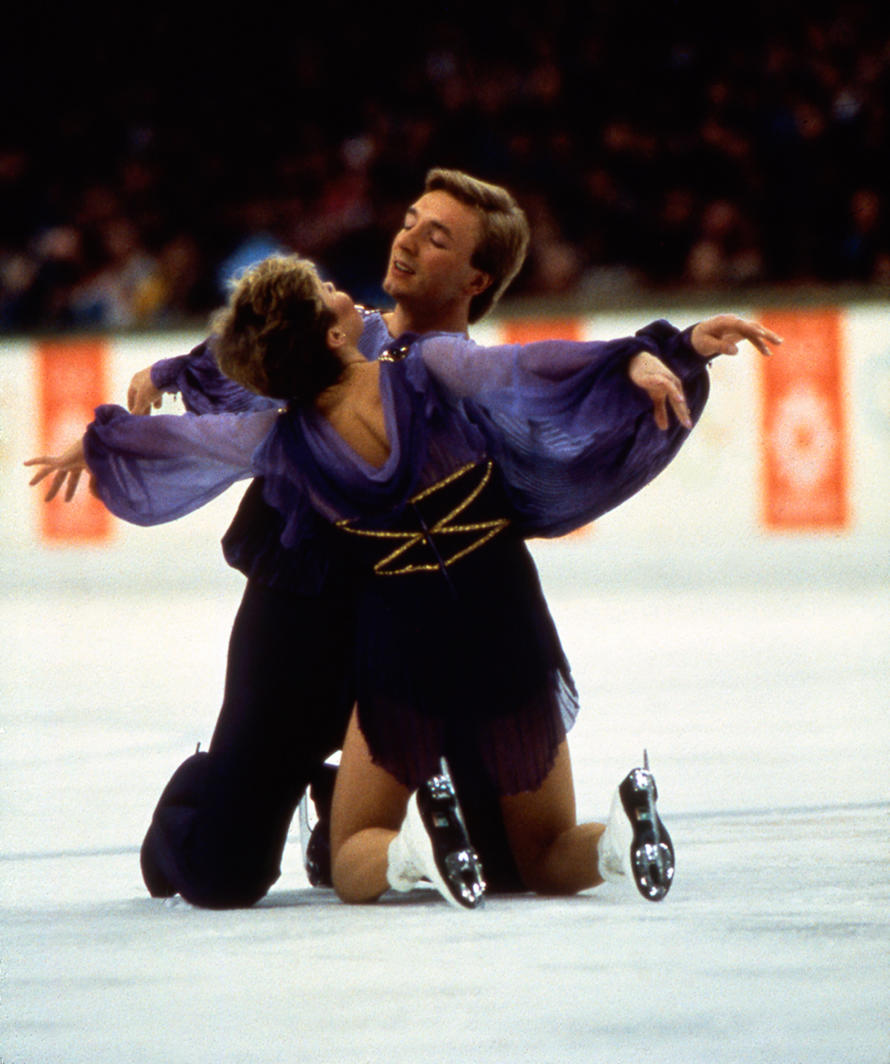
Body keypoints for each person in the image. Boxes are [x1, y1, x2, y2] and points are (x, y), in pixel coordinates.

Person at [27, 255, 781, 908]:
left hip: (405, 638)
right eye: (327, 294)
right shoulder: (426, 369)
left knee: (358, 844)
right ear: (329, 335)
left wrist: (97, 444)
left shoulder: (277, 439)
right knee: (544, 852)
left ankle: (407, 853)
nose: (344, 291)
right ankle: (618, 840)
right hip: (507, 622)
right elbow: (523, 369)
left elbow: (178, 440)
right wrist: (657, 348)